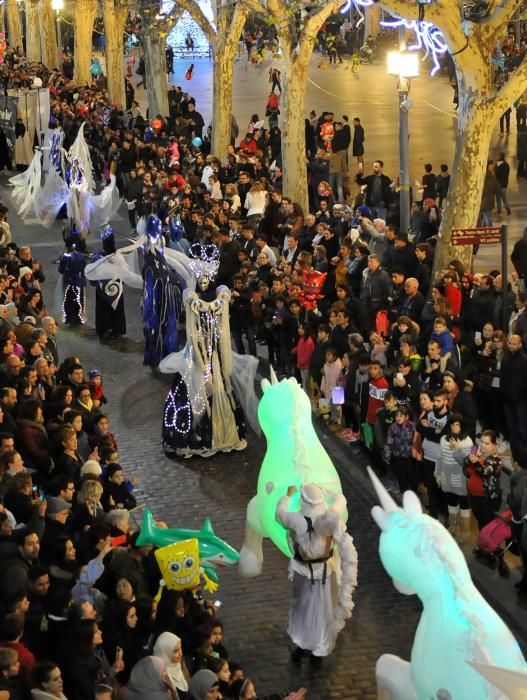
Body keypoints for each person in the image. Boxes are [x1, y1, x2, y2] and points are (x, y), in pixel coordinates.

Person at [275, 483, 357, 666]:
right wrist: (327, 490)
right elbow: (341, 499)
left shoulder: (297, 520)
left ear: (303, 500)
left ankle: (302, 646)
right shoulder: (330, 519)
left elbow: (279, 514)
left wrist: (287, 496)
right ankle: (317, 650)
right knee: (322, 612)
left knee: (302, 610)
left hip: (304, 573)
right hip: (326, 574)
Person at [152, 632, 189, 699]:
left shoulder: (181, 665)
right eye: (175, 651)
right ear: (164, 652)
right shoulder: (158, 676)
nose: (181, 654)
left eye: (180, 648)